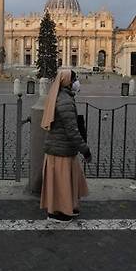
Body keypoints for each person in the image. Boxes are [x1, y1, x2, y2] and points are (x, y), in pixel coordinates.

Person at [40, 70, 91, 223]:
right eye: (75, 79)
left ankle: (68, 206)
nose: (77, 82)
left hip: (61, 147)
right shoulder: (65, 101)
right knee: (62, 183)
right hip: (61, 148)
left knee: (66, 180)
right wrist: (85, 149)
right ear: (68, 82)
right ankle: (57, 212)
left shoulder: (61, 96)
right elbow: (72, 130)